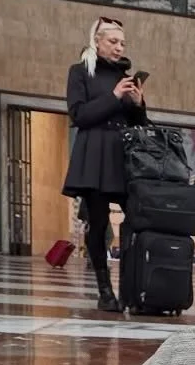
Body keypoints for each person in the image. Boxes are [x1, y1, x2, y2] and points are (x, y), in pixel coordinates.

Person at [64, 16, 149, 313]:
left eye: (122, 43)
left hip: (122, 155)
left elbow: (140, 124)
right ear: (97, 41)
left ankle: (132, 287)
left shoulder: (124, 77)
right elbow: (79, 115)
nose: (119, 47)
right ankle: (104, 289)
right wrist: (114, 96)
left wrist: (138, 104)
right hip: (95, 154)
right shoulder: (79, 72)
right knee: (99, 223)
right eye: (113, 41)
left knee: (137, 219)